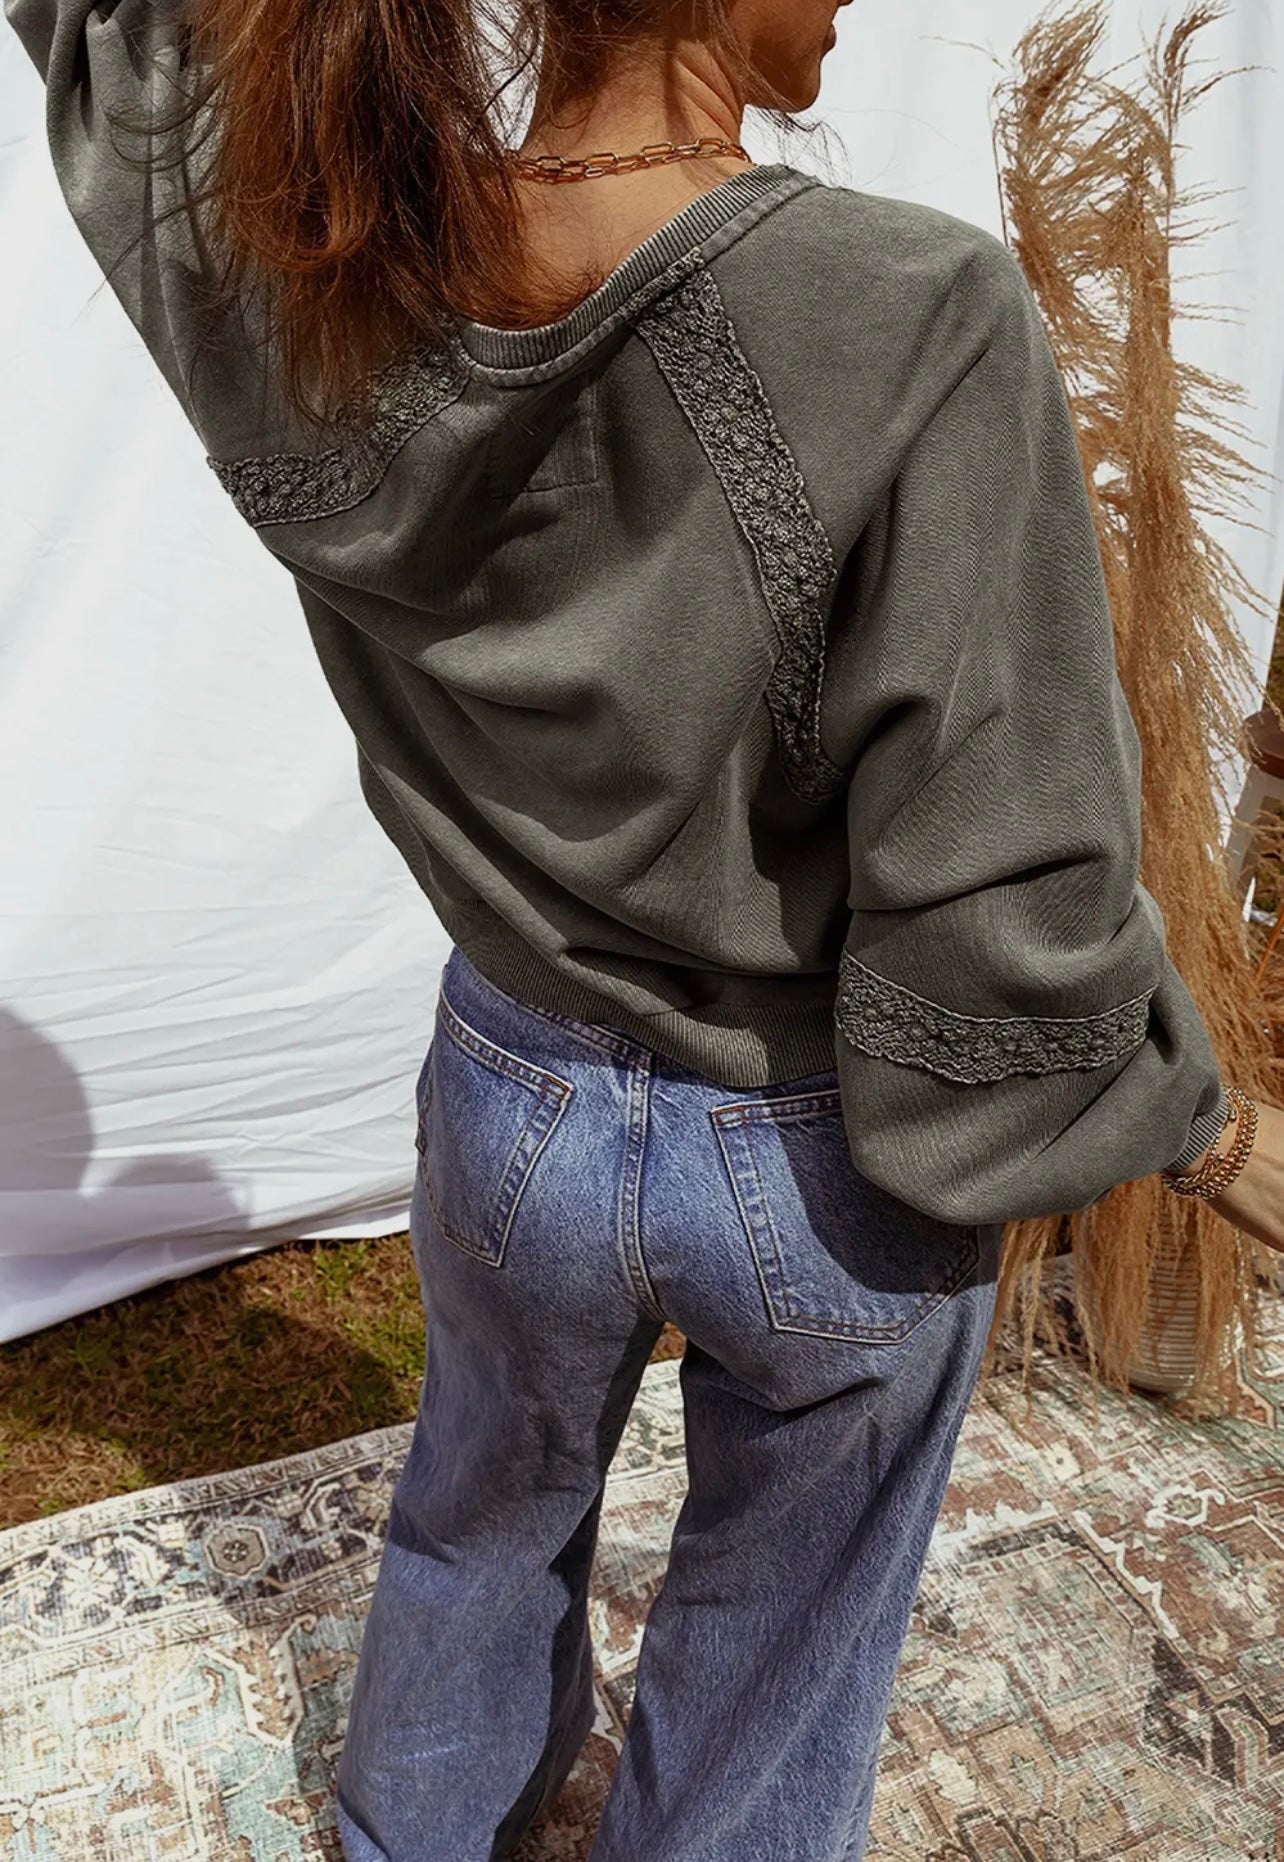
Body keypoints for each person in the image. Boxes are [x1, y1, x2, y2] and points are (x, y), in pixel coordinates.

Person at [5, 0, 1282, 1855]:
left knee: (475, 1519)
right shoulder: (915, 313)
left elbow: (115, 43)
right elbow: (1009, 873)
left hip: (508, 1096)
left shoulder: (319, 253)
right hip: (819, 1152)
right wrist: (1207, 1132)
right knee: (778, 1643)